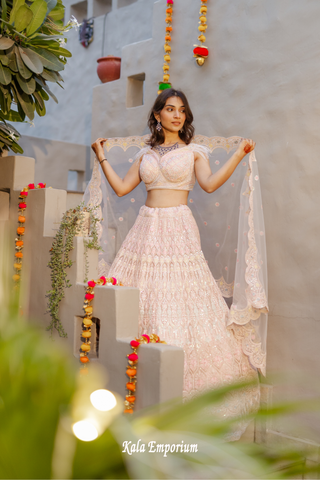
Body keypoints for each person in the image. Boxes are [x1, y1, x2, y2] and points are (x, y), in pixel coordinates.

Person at [90, 88, 266, 438]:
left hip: (178, 229)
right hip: (145, 229)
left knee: (179, 301)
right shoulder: (146, 154)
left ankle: (182, 391)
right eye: (169, 109)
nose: (177, 115)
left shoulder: (194, 152)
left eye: (182, 111)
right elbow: (123, 189)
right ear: (157, 115)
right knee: (137, 299)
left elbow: (211, 185)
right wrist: (101, 156)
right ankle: (135, 389)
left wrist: (238, 155)